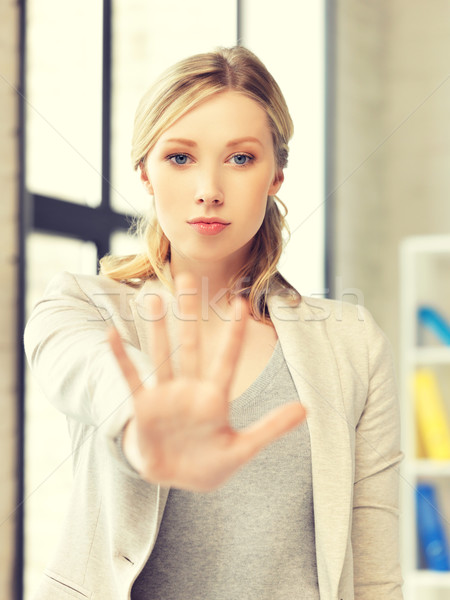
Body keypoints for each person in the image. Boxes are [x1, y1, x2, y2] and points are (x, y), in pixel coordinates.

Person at [24, 46, 403, 599]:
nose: (208, 189)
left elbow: (373, 574)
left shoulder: (353, 343)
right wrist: (141, 417)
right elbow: (85, 369)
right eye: (180, 157)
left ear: (277, 175)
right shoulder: (80, 307)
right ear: (144, 173)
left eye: (241, 158)